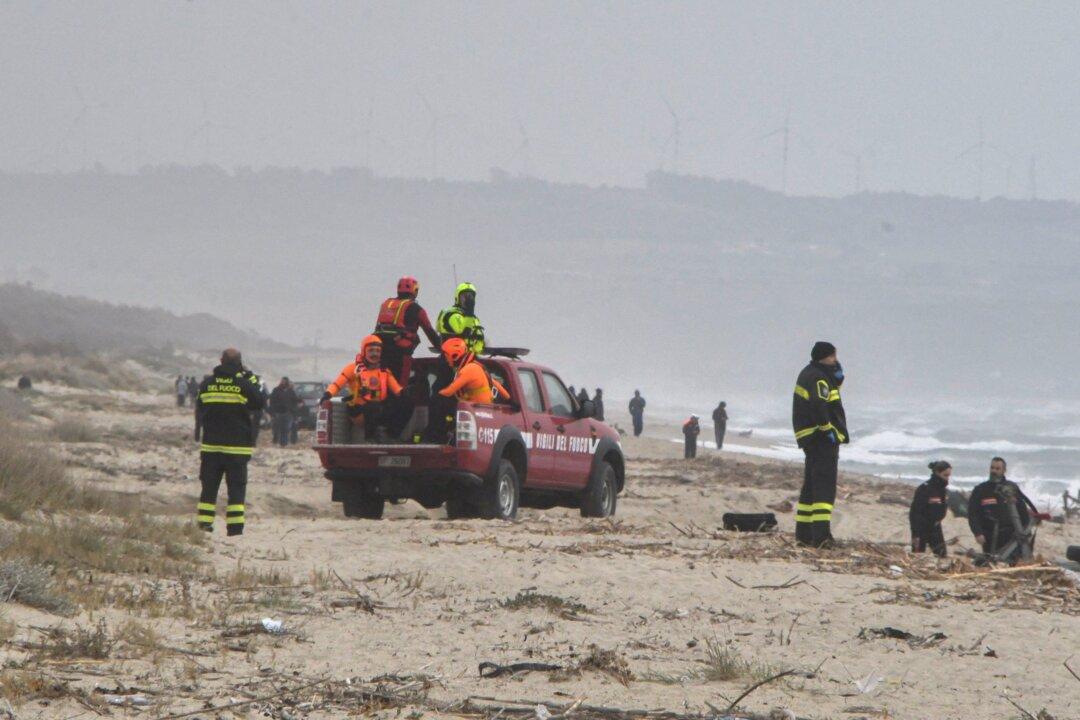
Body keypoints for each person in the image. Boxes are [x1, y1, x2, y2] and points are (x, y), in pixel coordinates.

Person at [195, 349, 264, 536]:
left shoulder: (207, 384)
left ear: (221, 361)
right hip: (237, 449)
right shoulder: (243, 383)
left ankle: (204, 526)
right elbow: (259, 402)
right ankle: (234, 530)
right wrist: (252, 379)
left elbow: (200, 407)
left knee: (208, 489)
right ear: (239, 363)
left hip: (211, 448)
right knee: (236, 490)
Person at [792, 341, 849, 548]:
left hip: (809, 437)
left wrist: (837, 381)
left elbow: (826, 394)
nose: (836, 360)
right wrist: (827, 429)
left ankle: (804, 534)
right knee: (824, 489)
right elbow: (819, 404)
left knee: (810, 487)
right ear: (825, 357)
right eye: (833, 356)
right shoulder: (818, 377)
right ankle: (822, 537)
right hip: (821, 438)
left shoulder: (810, 373)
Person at [322, 335, 412, 442]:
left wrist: (405, 393)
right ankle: (370, 438)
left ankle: (391, 435)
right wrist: (327, 394)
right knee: (372, 407)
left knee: (407, 403)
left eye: (378, 351)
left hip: (379, 408)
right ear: (364, 351)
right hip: (359, 410)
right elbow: (337, 384)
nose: (375, 354)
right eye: (371, 351)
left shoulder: (384, 371)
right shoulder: (353, 369)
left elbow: (397, 390)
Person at [967, 457, 1039, 561]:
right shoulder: (980, 490)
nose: (994, 471)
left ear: (1004, 470)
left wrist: (1026, 531)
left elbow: (1022, 510)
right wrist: (977, 533)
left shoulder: (1011, 488)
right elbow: (972, 514)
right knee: (989, 562)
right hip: (989, 535)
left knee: (1013, 562)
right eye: (992, 468)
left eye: (997, 468)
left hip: (1010, 535)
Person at [374, 276, 442, 386]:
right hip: (401, 355)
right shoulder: (416, 309)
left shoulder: (386, 305)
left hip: (380, 354)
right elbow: (430, 332)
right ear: (414, 291)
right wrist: (441, 347)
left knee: (383, 385)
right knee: (400, 388)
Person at [437, 338, 509, 405]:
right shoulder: (476, 366)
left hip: (478, 410)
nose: (446, 360)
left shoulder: (468, 370)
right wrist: (509, 399)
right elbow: (495, 383)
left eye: (447, 357)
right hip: (485, 409)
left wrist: (436, 396)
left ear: (455, 356)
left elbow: (449, 391)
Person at [910, 460, 951, 557]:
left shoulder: (942, 490)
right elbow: (914, 512)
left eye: (949, 476)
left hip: (936, 527)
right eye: (945, 475)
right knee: (917, 557)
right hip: (921, 528)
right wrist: (915, 534)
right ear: (937, 473)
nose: (947, 478)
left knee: (942, 555)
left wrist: (940, 517)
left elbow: (942, 506)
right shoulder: (924, 488)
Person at [437, 282, 486, 354]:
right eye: (464, 296)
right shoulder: (451, 315)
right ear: (457, 297)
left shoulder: (474, 319)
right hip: (452, 359)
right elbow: (464, 332)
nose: (468, 300)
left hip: (470, 358)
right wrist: (470, 312)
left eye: (471, 296)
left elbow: (478, 345)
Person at [269, 377, 300, 447]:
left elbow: (295, 400)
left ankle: (283, 443)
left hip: (288, 412)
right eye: (282, 381)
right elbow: (272, 401)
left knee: (286, 428)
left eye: (285, 381)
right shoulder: (276, 390)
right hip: (278, 412)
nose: (283, 383)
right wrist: (272, 412)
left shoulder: (290, 391)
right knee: (277, 429)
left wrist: (299, 402)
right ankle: (277, 441)